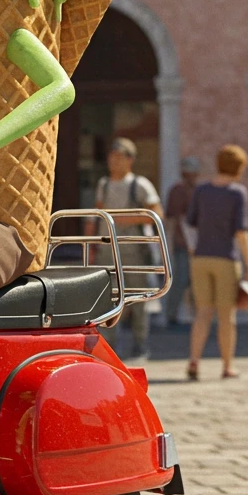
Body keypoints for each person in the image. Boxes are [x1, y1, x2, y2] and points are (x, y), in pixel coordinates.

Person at [186, 144, 248, 381]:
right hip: (226, 258)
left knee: (203, 312)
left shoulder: (202, 190)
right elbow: (241, 232)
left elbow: (190, 222)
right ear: (238, 167)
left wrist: (193, 249)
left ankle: (194, 362)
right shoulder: (237, 193)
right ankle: (227, 366)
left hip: (201, 258)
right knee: (227, 316)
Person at [93, 137, 163, 361]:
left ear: (130, 159)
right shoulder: (103, 184)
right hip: (107, 250)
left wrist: (122, 220)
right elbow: (96, 215)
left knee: (138, 299)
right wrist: (92, 242)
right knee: (110, 299)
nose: (113, 161)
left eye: (119, 156)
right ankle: (110, 347)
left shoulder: (140, 184)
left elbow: (156, 214)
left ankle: (140, 345)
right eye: (111, 156)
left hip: (134, 251)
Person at [164, 156, 200, 325]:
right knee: (181, 278)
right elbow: (172, 219)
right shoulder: (177, 191)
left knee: (196, 281)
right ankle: (171, 315)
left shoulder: (199, 191)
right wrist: (170, 243)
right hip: (182, 243)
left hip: (199, 244)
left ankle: (197, 316)